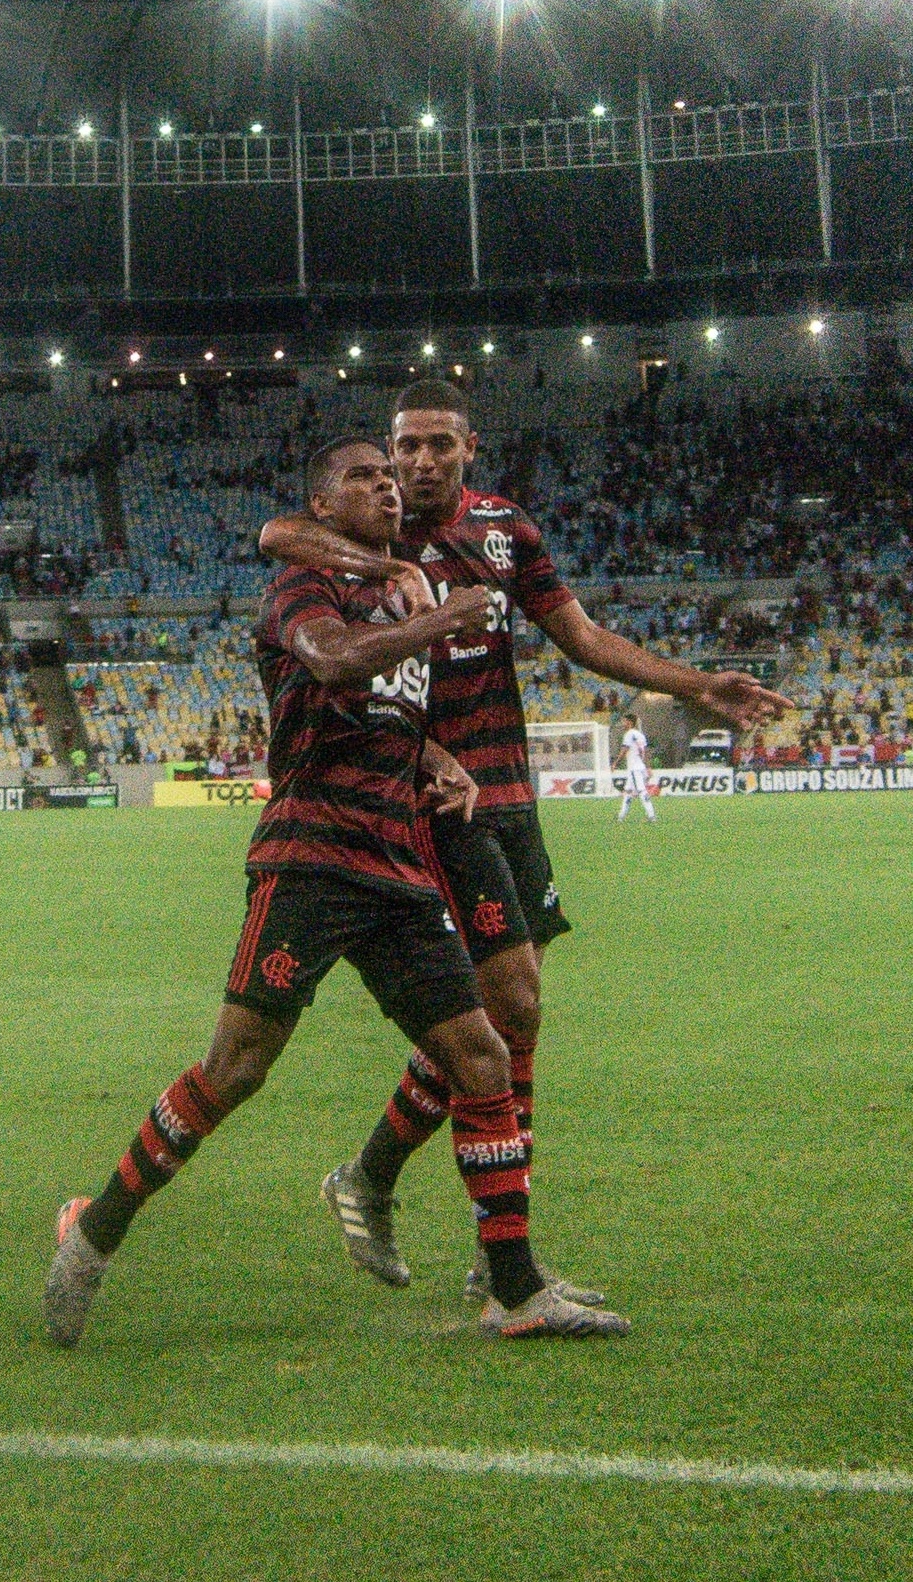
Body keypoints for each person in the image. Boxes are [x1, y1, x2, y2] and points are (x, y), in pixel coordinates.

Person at [43, 438, 630, 1347]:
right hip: (308, 860)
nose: (388, 488)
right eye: (366, 477)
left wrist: (441, 762)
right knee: (235, 1070)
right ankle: (93, 1228)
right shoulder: (302, 594)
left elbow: (388, 717)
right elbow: (330, 662)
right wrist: (438, 620)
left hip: (395, 867)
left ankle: (512, 1289)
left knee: (481, 1058)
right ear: (323, 506)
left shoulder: (398, 600)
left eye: (392, 479)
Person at [260, 380, 790, 1300]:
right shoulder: (367, 539)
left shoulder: (505, 529)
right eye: (403, 446)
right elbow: (275, 536)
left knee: (510, 1021)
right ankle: (499, 1255)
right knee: (512, 1009)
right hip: (433, 803)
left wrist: (694, 684)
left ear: (469, 448)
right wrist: (387, 580)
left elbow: (580, 635)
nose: (416, 463)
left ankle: (399, 1191)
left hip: (510, 796)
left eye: (435, 445)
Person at [617, 714, 655, 823]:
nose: (623, 724)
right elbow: (645, 751)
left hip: (634, 768)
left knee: (642, 791)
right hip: (640, 767)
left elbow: (624, 749)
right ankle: (621, 816)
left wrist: (616, 763)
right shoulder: (640, 735)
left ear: (630, 722)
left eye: (624, 721)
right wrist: (648, 767)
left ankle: (651, 816)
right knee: (628, 791)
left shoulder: (628, 734)